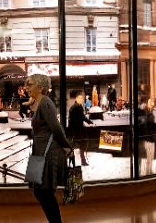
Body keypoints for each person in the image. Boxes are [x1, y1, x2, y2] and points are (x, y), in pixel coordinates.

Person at [25, 74, 73, 223]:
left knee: (44, 191)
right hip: (40, 151)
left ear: (40, 87)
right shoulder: (40, 102)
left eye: (30, 84)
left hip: (47, 151)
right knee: (39, 191)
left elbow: (56, 127)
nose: (27, 88)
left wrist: (66, 146)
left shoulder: (45, 102)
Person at [68, 91, 94, 166]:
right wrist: (90, 122)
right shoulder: (77, 107)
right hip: (78, 129)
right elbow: (82, 117)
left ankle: (79, 161)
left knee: (76, 146)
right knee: (81, 145)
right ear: (76, 99)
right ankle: (81, 161)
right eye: (79, 98)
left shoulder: (75, 106)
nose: (81, 99)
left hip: (75, 129)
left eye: (82, 98)